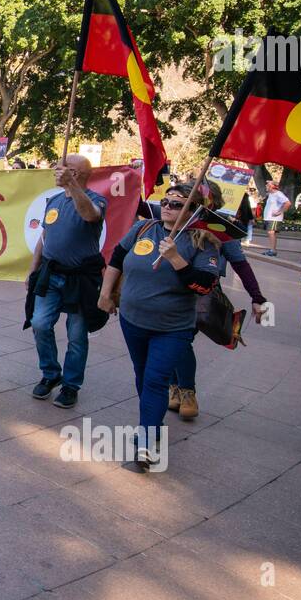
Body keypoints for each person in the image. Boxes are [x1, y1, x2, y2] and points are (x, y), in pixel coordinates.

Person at [98, 185, 221, 470]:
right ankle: (149, 421)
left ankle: (146, 440)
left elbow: (204, 284)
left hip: (172, 327)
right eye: (165, 202)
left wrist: (176, 259)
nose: (167, 207)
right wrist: (106, 293)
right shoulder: (144, 228)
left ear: (193, 210)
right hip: (133, 320)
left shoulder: (204, 242)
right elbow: (117, 258)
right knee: (142, 375)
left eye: (177, 204)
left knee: (156, 380)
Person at [166, 182, 268, 419]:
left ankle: (187, 391)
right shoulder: (169, 219)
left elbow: (240, 263)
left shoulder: (218, 227)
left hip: (201, 292)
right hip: (168, 292)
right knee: (171, 339)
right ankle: (174, 388)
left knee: (180, 341)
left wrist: (257, 297)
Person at [26, 154, 107, 410]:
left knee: (77, 335)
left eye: (66, 169)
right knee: (39, 323)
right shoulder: (54, 200)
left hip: (81, 278)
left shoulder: (96, 200)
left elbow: (89, 216)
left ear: (78, 173)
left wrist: (72, 185)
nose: (58, 172)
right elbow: (44, 235)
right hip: (51, 275)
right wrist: (33, 269)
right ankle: (51, 373)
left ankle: (71, 385)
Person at [262, 180, 291, 256]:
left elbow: (288, 203)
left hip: (274, 218)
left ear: (272, 186)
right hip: (269, 218)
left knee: (271, 232)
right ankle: (272, 250)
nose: (266, 186)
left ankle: (273, 250)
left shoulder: (278, 194)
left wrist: (280, 212)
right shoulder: (271, 194)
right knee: (270, 233)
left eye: (267, 185)